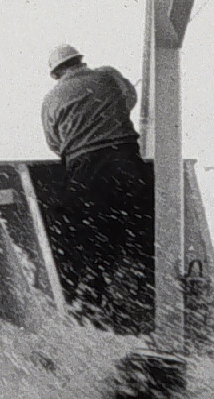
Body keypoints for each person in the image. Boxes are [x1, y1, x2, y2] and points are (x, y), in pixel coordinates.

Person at [41, 44, 151, 330]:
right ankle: (148, 303)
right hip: (124, 163)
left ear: (56, 73)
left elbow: (54, 143)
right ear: (80, 61)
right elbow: (129, 99)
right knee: (143, 235)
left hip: (83, 173)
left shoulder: (51, 98)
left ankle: (89, 312)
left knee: (96, 244)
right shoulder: (108, 76)